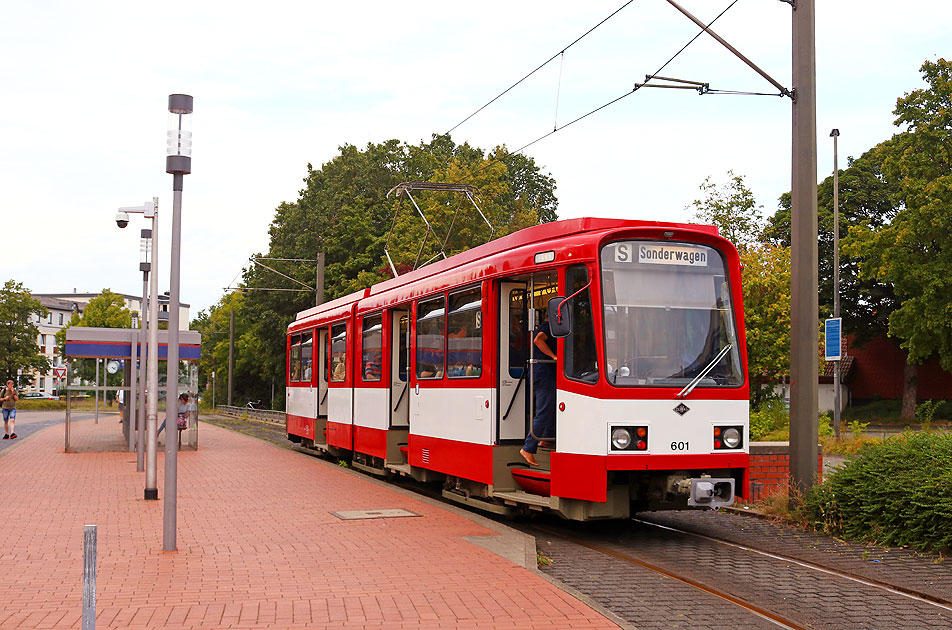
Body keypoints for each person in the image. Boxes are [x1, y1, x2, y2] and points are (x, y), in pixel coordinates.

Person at [520, 311, 557, 466]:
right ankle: (528, 448)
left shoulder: (547, 326)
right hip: (544, 373)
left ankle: (546, 439)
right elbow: (538, 340)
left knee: (551, 406)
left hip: (542, 373)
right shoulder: (548, 326)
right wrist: (554, 357)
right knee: (545, 409)